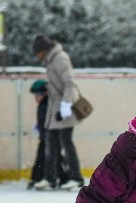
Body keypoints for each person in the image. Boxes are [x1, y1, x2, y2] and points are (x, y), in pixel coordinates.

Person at [30, 34, 84, 191]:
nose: (37, 56)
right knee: (51, 142)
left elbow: (69, 83)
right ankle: (50, 178)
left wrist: (66, 105)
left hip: (65, 107)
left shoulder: (60, 58)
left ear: (43, 50)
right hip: (55, 108)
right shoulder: (51, 60)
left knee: (66, 142)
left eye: (37, 52)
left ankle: (76, 178)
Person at [28, 79, 69, 189]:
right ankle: (63, 178)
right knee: (53, 157)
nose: (36, 97)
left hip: (50, 138)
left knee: (48, 157)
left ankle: (38, 178)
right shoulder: (44, 105)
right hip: (46, 137)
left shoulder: (47, 105)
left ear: (45, 93)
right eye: (35, 95)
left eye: (38, 94)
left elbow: (52, 122)